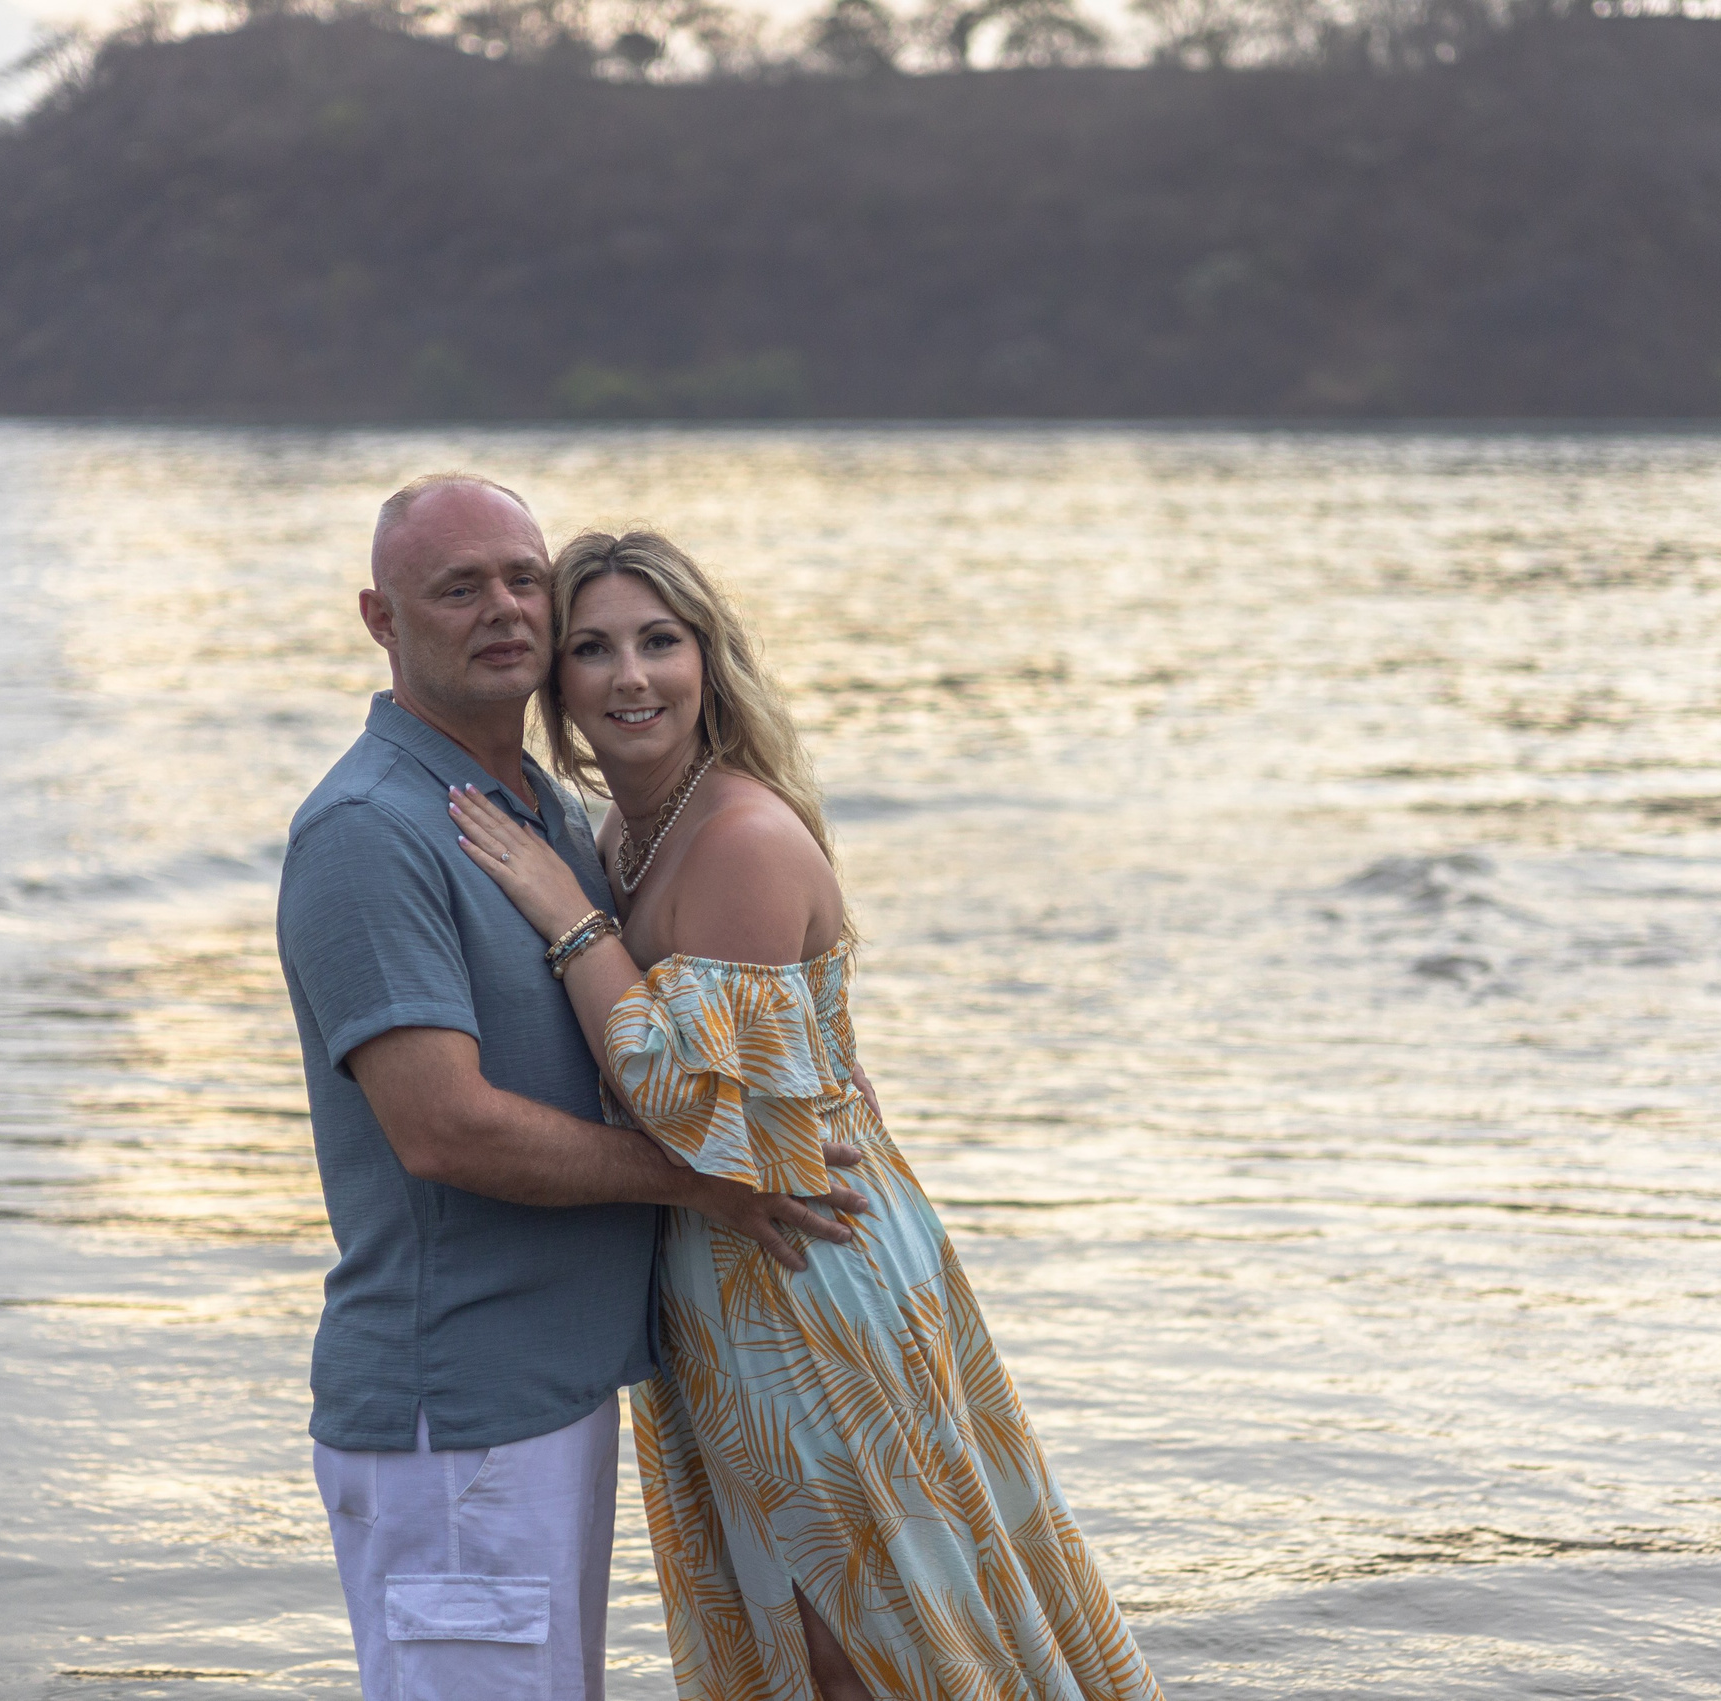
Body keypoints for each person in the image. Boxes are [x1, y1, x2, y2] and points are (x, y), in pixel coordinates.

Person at [445, 528, 1166, 1701]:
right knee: (791, 1625)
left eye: (659, 642)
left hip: (809, 1270)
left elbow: (695, 1114)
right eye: (594, 649)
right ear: (556, 686)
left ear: (707, 660)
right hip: (727, 1269)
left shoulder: (738, 836)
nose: (631, 676)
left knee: (860, 1633)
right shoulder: (628, 833)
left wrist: (564, 915)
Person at [275, 475, 870, 1701]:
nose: (503, 608)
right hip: (458, 1420)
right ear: (382, 619)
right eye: (457, 587)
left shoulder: (545, 808)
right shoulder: (368, 831)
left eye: (520, 577)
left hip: (559, 1394)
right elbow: (444, 1130)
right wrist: (709, 1181)